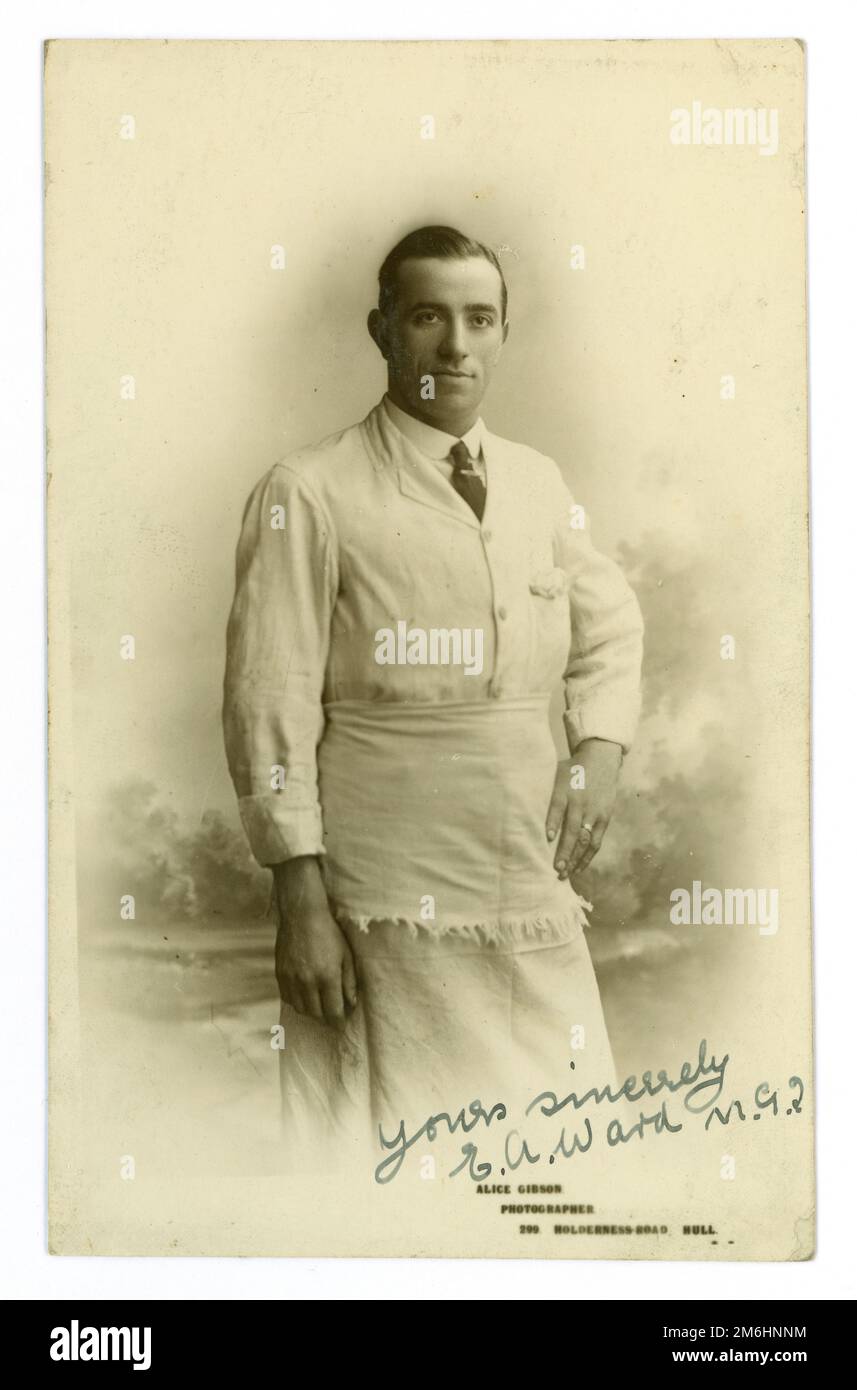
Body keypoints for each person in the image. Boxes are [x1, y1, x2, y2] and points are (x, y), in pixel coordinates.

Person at [222, 225, 644, 1174]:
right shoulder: (309, 489)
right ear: (381, 331)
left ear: (502, 333)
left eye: (478, 319)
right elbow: (267, 694)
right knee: (394, 1154)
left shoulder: (536, 482)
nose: (454, 347)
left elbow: (609, 628)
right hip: (380, 887)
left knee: (559, 1148)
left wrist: (599, 750)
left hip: (523, 863)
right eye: (427, 317)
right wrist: (300, 903)